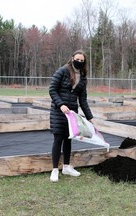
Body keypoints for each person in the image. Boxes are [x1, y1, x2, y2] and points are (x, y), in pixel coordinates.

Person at [49, 50, 94, 182]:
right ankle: (55, 170)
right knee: (58, 139)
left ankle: (67, 167)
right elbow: (52, 89)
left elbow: (83, 100)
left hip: (72, 113)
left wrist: (90, 117)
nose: (79, 62)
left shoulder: (83, 77)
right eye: (77, 59)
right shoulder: (62, 71)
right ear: (72, 58)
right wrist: (61, 104)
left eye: (82, 61)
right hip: (59, 111)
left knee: (69, 139)